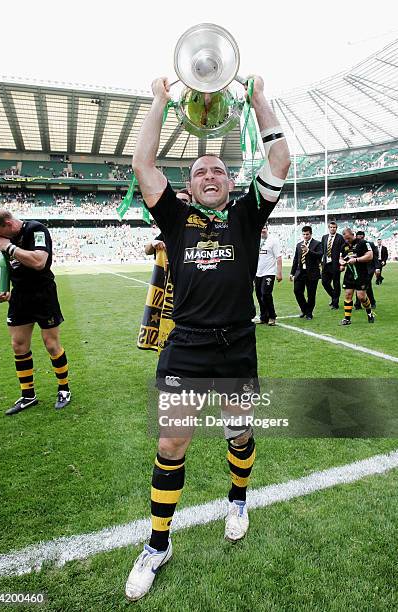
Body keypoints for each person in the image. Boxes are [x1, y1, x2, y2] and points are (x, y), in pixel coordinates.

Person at [125, 75, 290, 601]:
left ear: (229, 179)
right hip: (188, 345)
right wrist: (157, 100)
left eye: (219, 168)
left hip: (238, 344)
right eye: (201, 171)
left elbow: (280, 161)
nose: (211, 174)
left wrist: (258, 99)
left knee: (238, 434)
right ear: (190, 184)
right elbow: (143, 167)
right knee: (172, 442)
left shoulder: (247, 215)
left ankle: (237, 500)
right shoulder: (174, 216)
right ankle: (157, 545)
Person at [0, 208, 71, 415]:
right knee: (18, 346)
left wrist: (10, 247)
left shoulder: (36, 230)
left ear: (8, 223)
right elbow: (2, 267)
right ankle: (28, 395)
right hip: (20, 297)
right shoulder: (0, 241)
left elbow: (39, 262)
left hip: (43, 294)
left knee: (51, 345)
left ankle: (64, 389)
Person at [339, 227, 375, 325]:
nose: (347, 241)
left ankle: (370, 313)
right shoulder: (344, 246)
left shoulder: (363, 243)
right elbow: (341, 257)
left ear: (352, 235)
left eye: (348, 238)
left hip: (361, 273)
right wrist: (341, 263)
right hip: (349, 274)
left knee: (361, 297)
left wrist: (356, 260)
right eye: (345, 239)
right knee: (348, 295)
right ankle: (347, 319)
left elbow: (370, 256)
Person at [290, 226, 323, 320]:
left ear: (311, 234)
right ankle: (304, 309)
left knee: (311, 294)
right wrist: (292, 273)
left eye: (307, 234)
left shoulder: (317, 244)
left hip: (312, 273)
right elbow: (296, 259)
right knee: (297, 291)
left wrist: (308, 251)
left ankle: (309, 313)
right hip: (300, 273)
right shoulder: (299, 244)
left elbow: (320, 254)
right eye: (304, 234)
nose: (305, 236)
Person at [253, 225, 282, 326]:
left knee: (266, 293)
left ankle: (272, 316)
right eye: (260, 228)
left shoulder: (273, 241)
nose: (262, 230)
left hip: (269, 272)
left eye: (264, 228)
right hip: (258, 273)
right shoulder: (255, 240)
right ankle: (263, 316)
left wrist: (279, 273)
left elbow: (278, 257)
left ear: (267, 229)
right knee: (258, 295)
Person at [321, 221, 345, 309]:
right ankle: (334, 296)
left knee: (336, 283)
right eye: (331, 227)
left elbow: (344, 252)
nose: (332, 229)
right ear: (329, 228)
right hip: (326, 264)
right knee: (324, 282)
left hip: (335, 264)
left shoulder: (340, 238)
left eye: (334, 227)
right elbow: (322, 251)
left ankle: (335, 303)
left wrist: (342, 264)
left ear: (336, 228)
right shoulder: (324, 237)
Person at [353, 231, 379, 310]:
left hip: (369, 269)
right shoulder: (355, 246)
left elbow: (374, 256)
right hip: (359, 268)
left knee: (366, 286)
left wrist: (377, 267)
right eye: (358, 236)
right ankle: (360, 304)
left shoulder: (370, 244)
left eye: (361, 237)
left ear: (364, 237)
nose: (360, 238)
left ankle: (371, 302)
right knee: (360, 286)